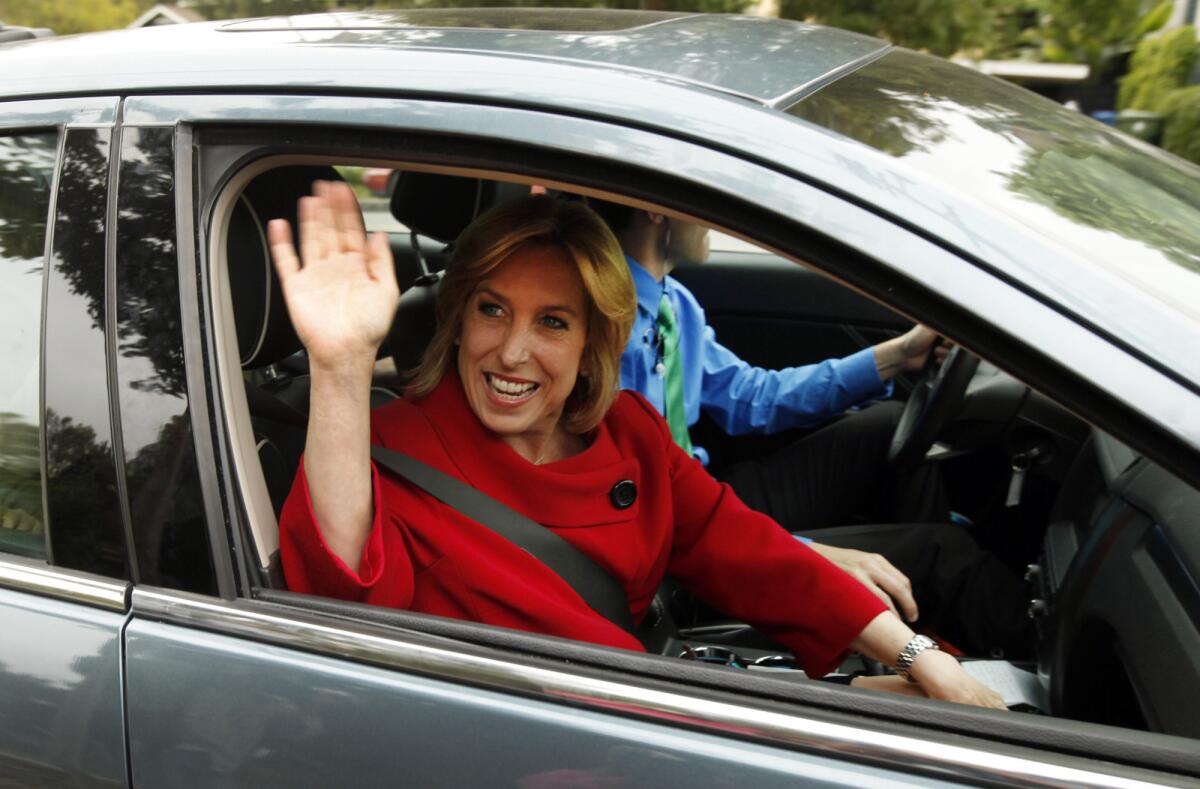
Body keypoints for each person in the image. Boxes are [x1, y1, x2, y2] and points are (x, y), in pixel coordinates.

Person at [268, 181, 1003, 707]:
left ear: (594, 341)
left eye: (553, 322)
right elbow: (341, 594)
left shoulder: (628, 428)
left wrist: (920, 655)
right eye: (492, 310)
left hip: (659, 695)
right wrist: (340, 364)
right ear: (458, 318)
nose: (512, 351)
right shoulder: (398, 447)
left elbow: (747, 547)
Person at [592, 201, 1032, 657]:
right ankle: (1037, 669)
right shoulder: (606, 319)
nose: (717, 218)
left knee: (887, 427)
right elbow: (640, 501)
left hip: (700, 490)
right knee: (945, 554)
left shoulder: (673, 302)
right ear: (657, 210)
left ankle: (922, 614)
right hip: (674, 531)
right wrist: (806, 552)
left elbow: (751, 397)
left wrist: (897, 356)